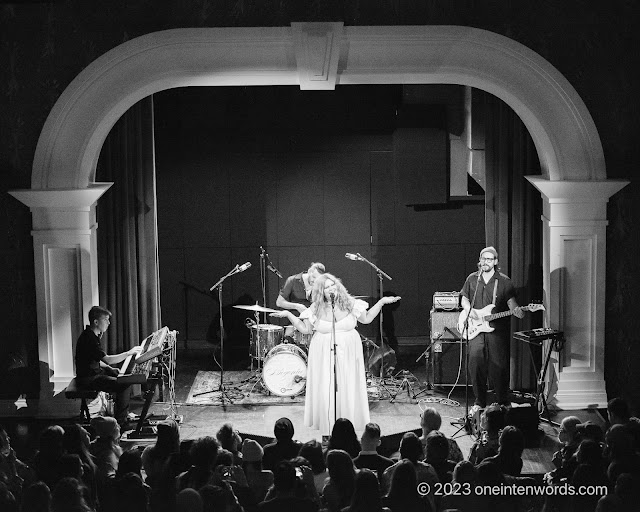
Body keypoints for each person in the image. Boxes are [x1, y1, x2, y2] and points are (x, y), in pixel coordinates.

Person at [272, 273, 401, 434]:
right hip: (323, 352)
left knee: (346, 384)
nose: (331, 289)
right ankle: (330, 422)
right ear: (321, 291)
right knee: (328, 385)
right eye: (327, 287)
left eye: (333, 285)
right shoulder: (315, 308)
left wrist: (381, 302)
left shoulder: (350, 303)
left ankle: (347, 420)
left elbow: (367, 318)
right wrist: (288, 315)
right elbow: (306, 329)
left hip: (348, 351)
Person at [460, 247, 524, 410]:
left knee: (499, 366)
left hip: (497, 332)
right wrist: (468, 310)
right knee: (476, 365)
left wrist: (518, 311)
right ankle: (479, 402)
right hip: (475, 330)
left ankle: (502, 401)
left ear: (495, 261)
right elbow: (464, 298)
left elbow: (511, 303)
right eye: (483, 259)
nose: (485, 262)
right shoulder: (472, 279)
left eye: (489, 259)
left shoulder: (504, 281)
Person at [74, 306, 143, 427]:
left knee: (122, 378)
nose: (109, 323)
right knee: (124, 383)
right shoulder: (89, 338)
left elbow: (95, 359)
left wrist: (109, 369)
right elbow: (108, 359)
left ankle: (120, 415)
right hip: (88, 379)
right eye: (105, 319)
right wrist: (128, 353)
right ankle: (121, 421)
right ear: (96, 322)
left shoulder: (91, 335)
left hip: (92, 374)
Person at [276, 262, 325, 344]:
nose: (314, 281)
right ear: (309, 272)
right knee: (288, 340)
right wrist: (297, 306)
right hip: (294, 320)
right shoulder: (292, 280)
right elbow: (279, 302)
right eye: (313, 277)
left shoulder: (320, 285)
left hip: (312, 322)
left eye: (318, 279)